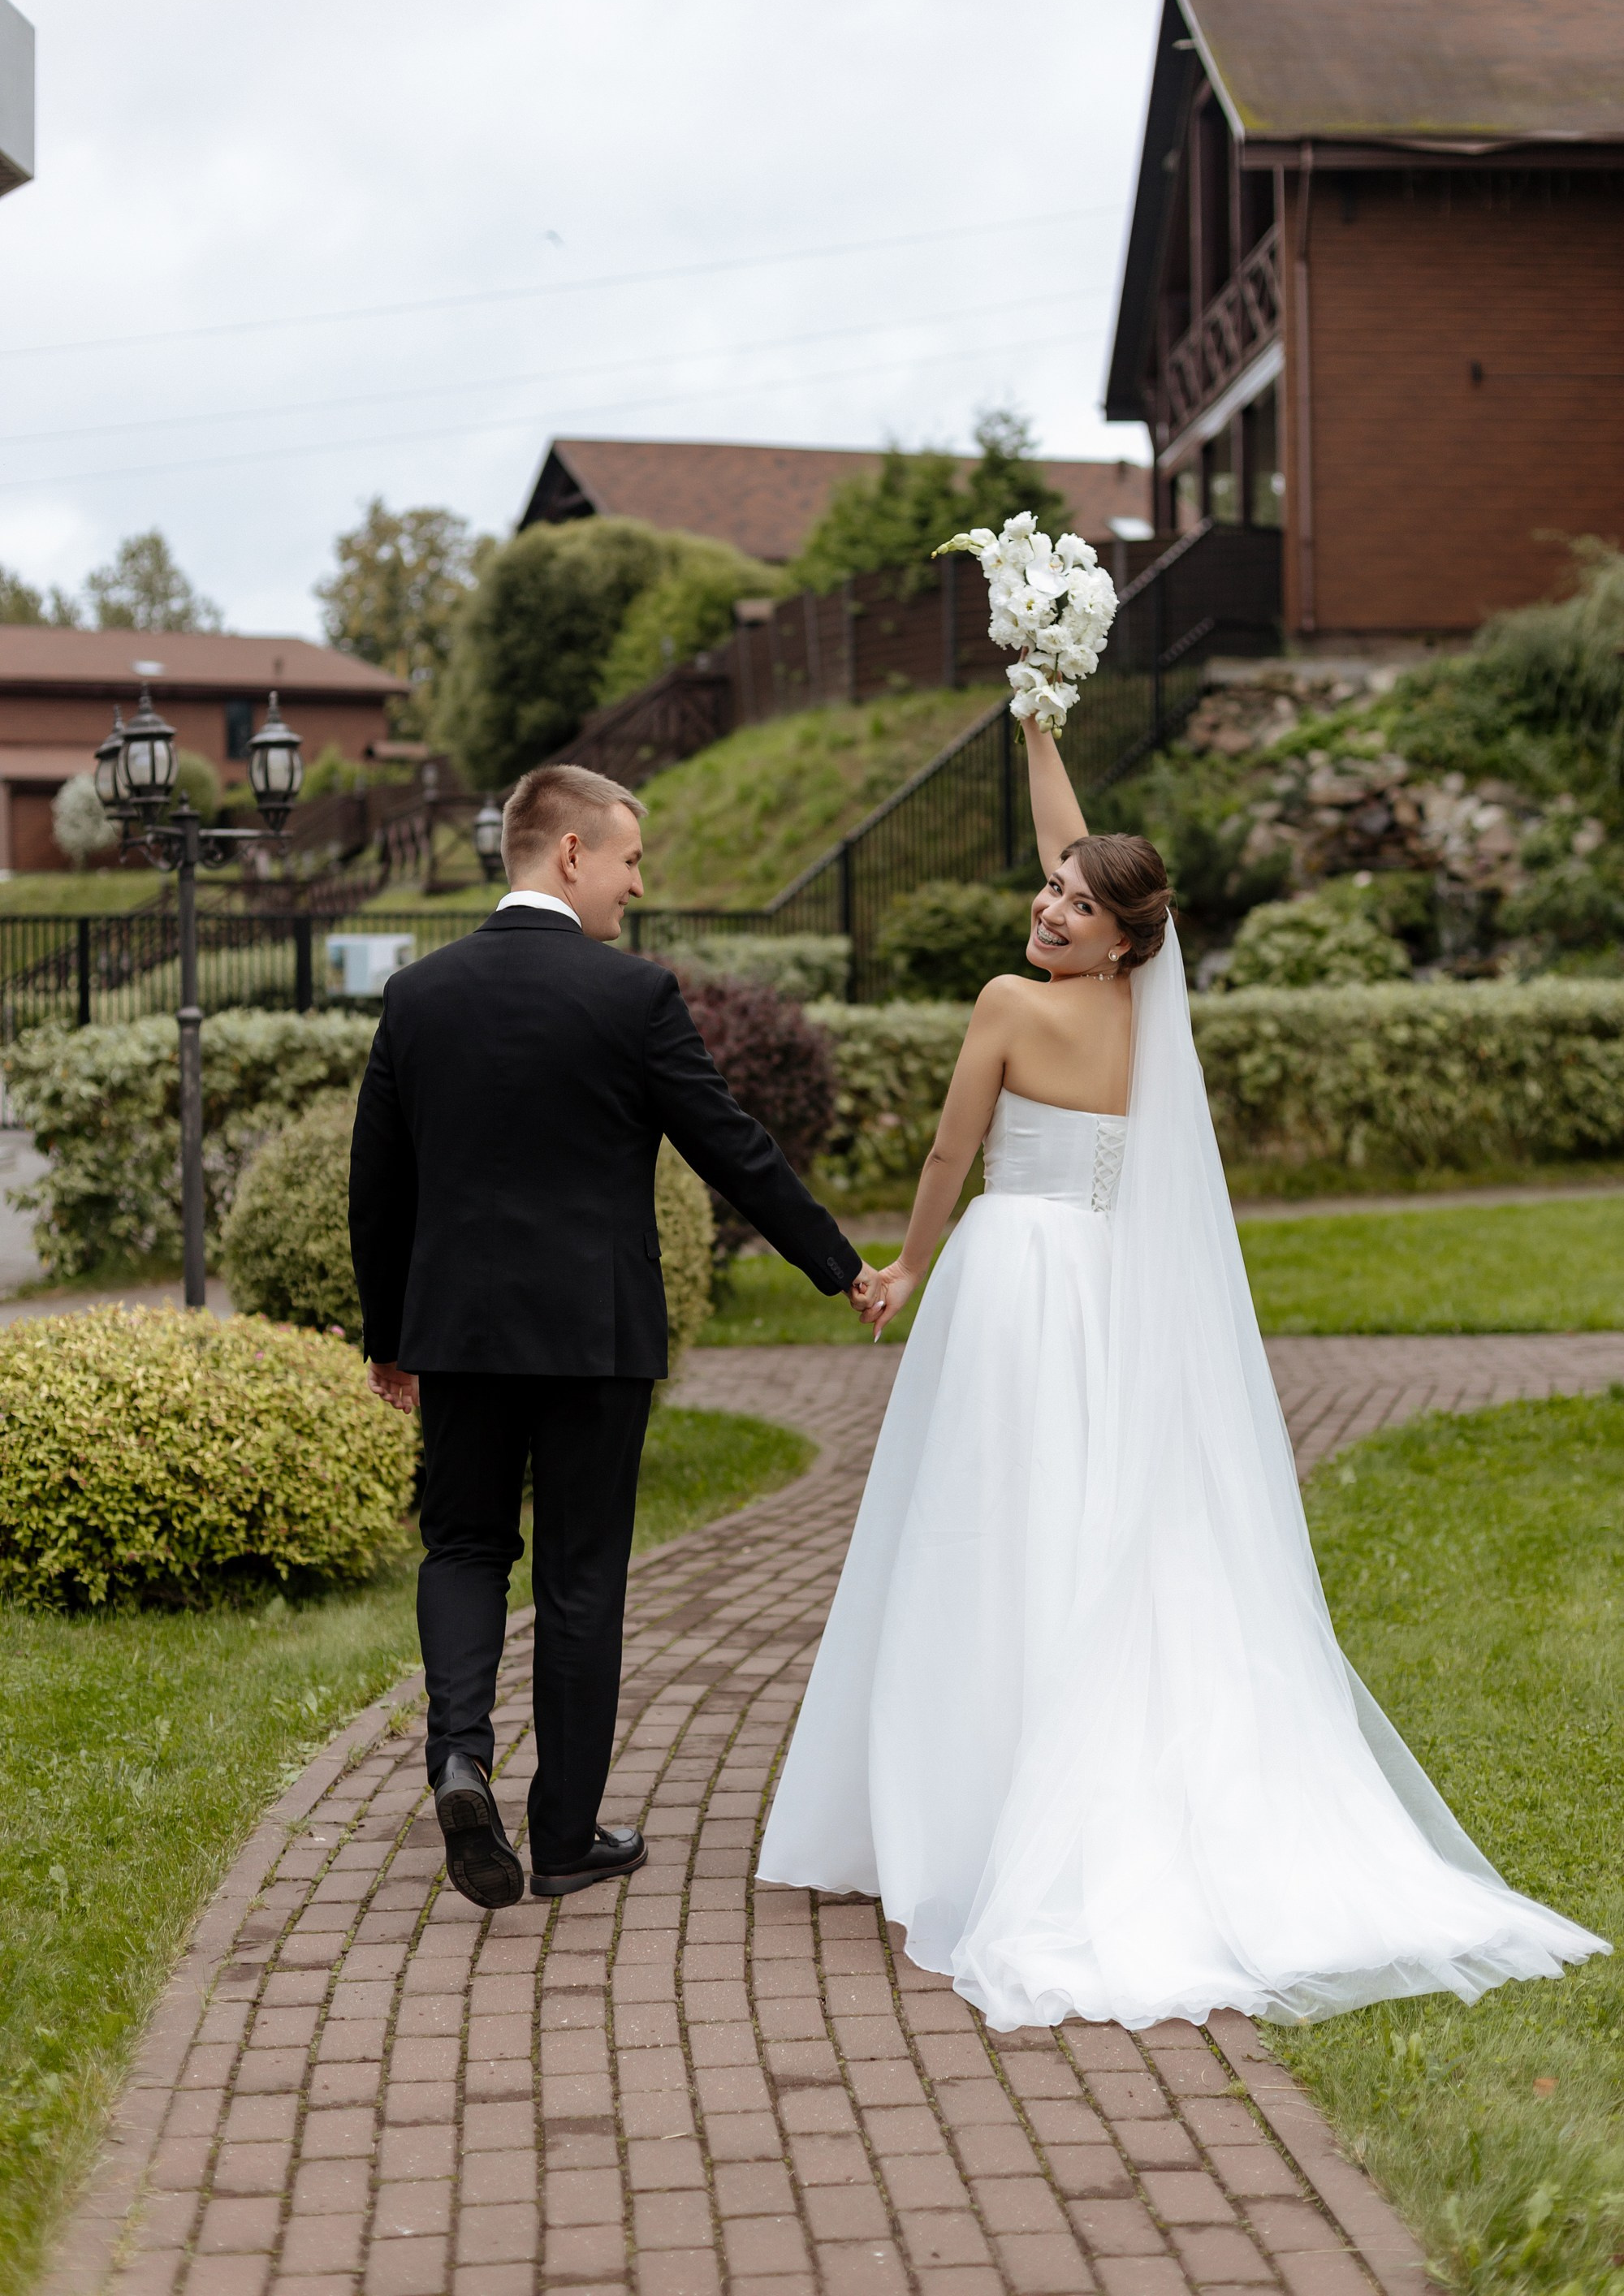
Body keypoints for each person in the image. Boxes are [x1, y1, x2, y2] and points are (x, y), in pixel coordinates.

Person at [757, 722, 1607, 2029]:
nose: (1050, 903)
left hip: (1011, 1280)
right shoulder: (1146, 1001)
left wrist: (908, 1269)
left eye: (1075, 904)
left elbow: (946, 1157)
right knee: (1093, 1513)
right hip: (1103, 1286)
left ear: (1118, 934)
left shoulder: (1006, 1003)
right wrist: (1039, 726)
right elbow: (1081, 845)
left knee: (989, 1519)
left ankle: (972, 1807)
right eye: (1052, 890)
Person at [350, 762, 875, 1910]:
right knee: (583, 1580)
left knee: (465, 1548)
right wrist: (840, 1268)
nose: (637, 886)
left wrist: (388, 1336)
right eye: (630, 860)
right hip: (595, 1335)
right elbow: (732, 1148)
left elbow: (376, 1188)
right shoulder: (630, 997)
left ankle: (458, 1754)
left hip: (462, 1333)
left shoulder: (418, 995)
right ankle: (567, 1837)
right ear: (571, 852)